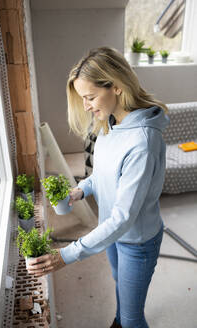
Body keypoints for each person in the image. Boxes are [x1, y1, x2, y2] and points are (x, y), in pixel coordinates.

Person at [27, 46, 169, 328]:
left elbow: (124, 217)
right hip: (113, 235)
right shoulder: (110, 123)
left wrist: (66, 255)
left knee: (132, 319)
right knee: (120, 287)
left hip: (137, 242)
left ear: (116, 87)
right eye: (83, 99)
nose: (87, 106)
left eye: (90, 97)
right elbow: (101, 173)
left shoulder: (141, 143)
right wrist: (82, 190)